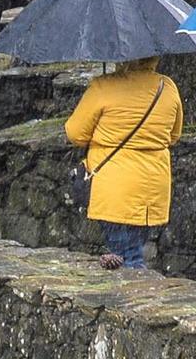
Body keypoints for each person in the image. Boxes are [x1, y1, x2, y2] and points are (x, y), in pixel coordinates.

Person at [64, 56, 185, 270]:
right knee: (133, 248)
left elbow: (75, 133)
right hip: (152, 187)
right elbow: (174, 134)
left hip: (115, 186)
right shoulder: (166, 87)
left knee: (126, 259)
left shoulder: (104, 86)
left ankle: (139, 301)